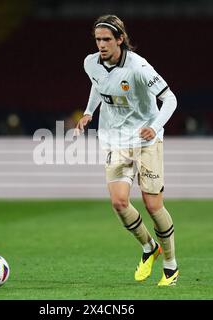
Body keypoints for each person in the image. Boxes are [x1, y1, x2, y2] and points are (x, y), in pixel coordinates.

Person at [75, 15, 179, 286]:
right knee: (119, 202)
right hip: (115, 141)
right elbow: (99, 86)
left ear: (120, 39)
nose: (101, 44)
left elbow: (170, 99)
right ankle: (149, 247)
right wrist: (88, 112)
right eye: (98, 39)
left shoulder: (139, 67)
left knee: (152, 205)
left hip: (146, 141)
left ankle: (170, 264)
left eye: (107, 39)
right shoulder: (90, 63)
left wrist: (154, 127)